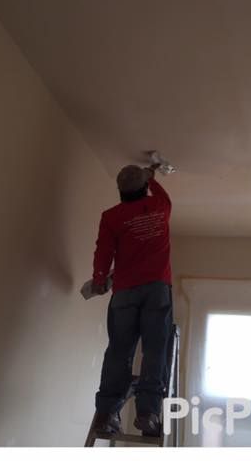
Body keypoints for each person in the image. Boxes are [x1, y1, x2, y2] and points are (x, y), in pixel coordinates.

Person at [89, 164, 173, 439]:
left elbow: (103, 250)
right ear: (144, 188)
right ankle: (148, 413)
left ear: (120, 191)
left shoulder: (112, 216)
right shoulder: (160, 206)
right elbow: (162, 195)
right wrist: (151, 177)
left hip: (125, 292)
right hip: (156, 290)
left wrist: (99, 278)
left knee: (119, 351)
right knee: (155, 349)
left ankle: (106, 414)